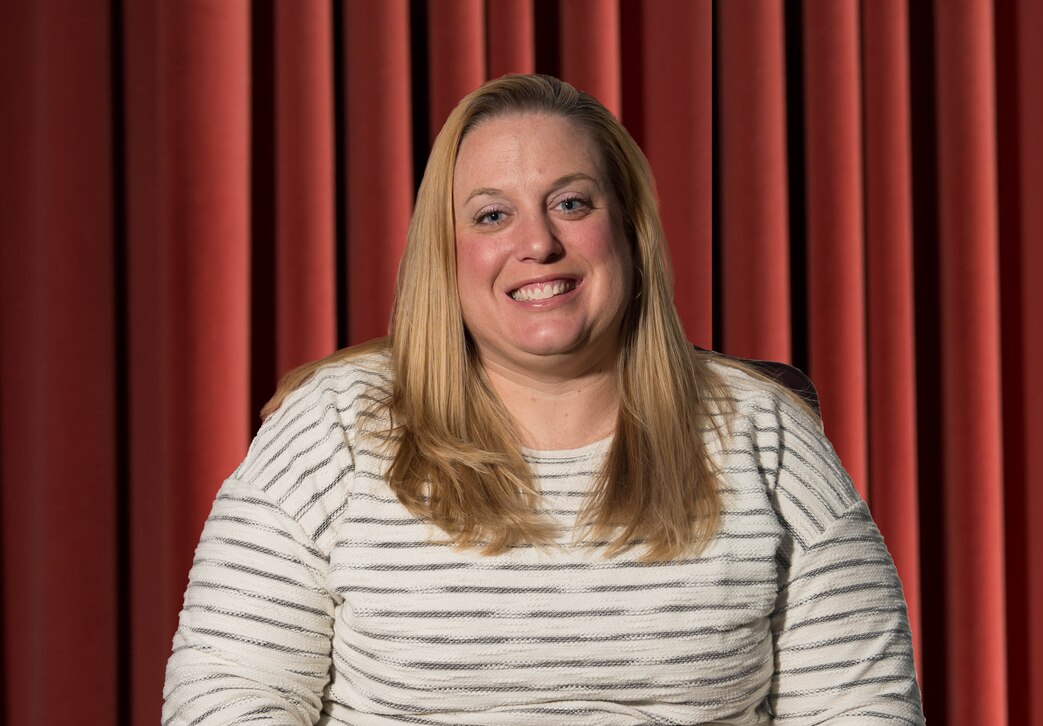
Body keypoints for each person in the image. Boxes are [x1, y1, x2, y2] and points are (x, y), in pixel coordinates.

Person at [163, 74, 924, 725]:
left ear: (629, 228)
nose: (537, 244)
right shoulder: (331, 428)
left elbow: (861, 708)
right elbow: (224, 698)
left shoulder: (768, 435)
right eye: (493, 215)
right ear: (446, 252)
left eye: (571, 204)